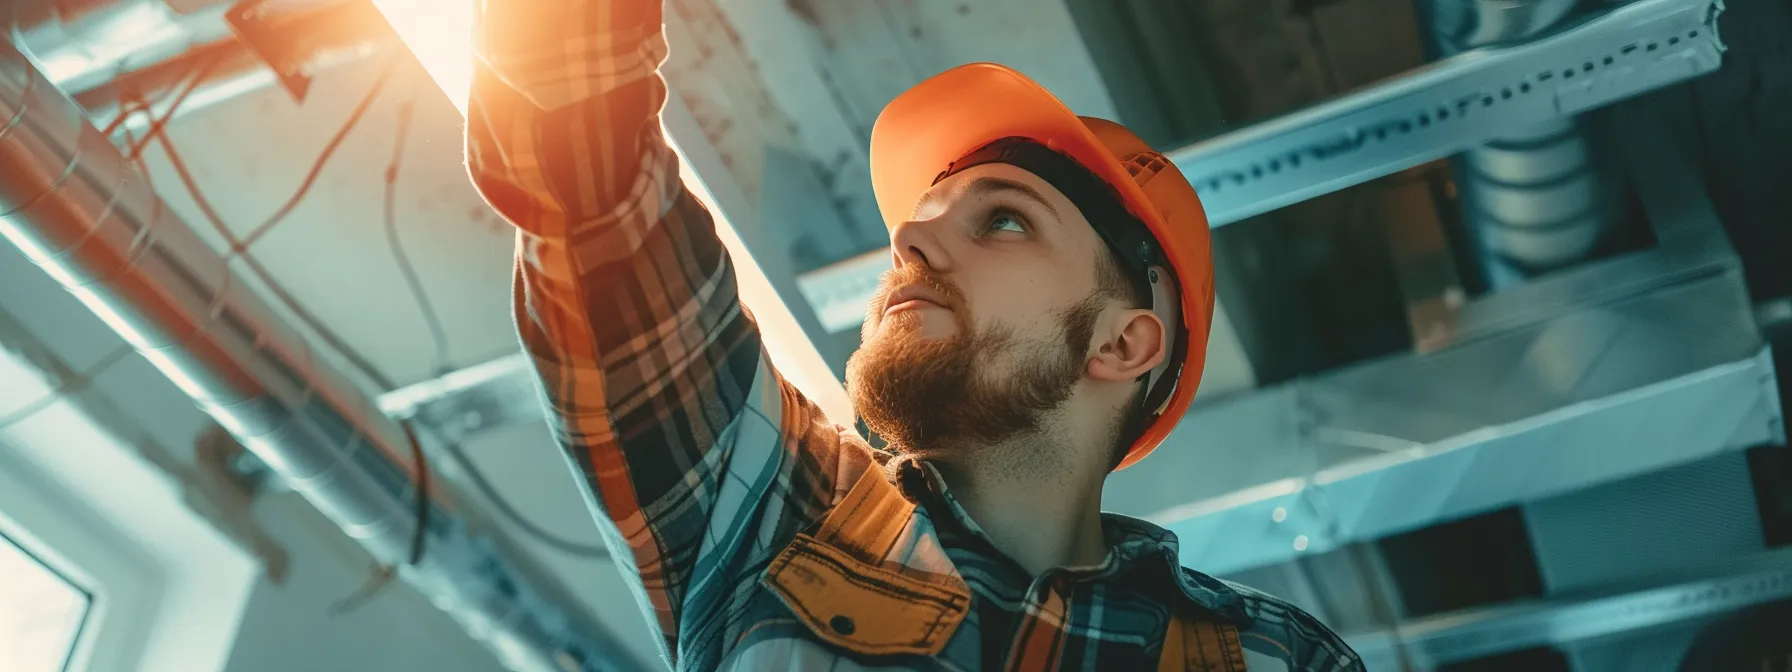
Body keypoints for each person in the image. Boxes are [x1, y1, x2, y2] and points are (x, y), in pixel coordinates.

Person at [466, 1, 1363, 669]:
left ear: (1123, 345)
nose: (908, 238)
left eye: (1004, 220)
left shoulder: (1274, 657)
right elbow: (590, 172)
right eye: (922, 216)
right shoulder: (773, 514)